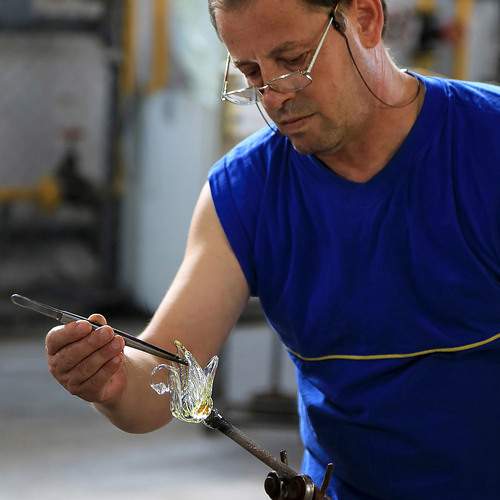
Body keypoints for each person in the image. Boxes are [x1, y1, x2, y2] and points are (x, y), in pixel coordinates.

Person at [45, 0, 500, 498]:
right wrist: (112, 380)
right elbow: (164, 382)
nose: (273, 95)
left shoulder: (487, 144)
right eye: (251, 72)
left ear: (365, 20)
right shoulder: (246, 193)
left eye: (293, 59)